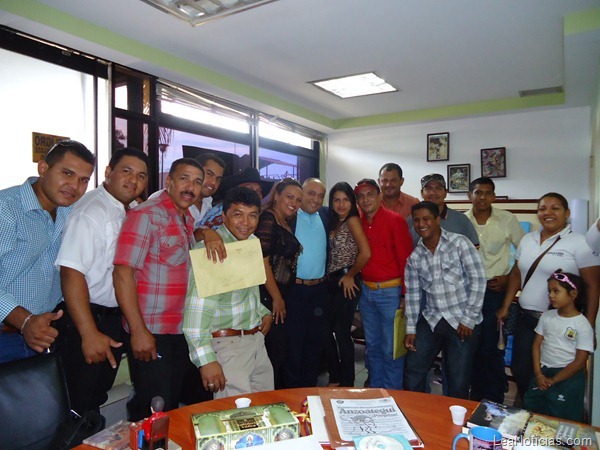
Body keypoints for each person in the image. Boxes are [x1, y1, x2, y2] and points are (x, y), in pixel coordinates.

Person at [54, 147, 149, 414]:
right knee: (76, 405)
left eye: (141, 176)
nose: (133, 181)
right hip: (87, 319)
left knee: (94, 398)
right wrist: (88, 333)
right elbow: (72, 272)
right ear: (108, 173)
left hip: (111, 319)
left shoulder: (123, 208)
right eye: (126, 172)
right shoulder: (92, 211)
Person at [113, 157, 204, 421]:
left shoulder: (185, 219)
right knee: (152, 410)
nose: (191, 187)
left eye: (197, 182)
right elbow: (122, 273)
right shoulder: (145, 215)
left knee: (171, 406)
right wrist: (139, 331)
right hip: (152, 331)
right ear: (169, 181)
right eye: (184, 179)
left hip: (179, 329)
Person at [497, 193, 600, 402]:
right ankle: (528, 410)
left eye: (555, 208)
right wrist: (506, 305)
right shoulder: (528, 239)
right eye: (543, 208)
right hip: (527, 320)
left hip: (561, 324)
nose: (548, 213)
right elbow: (516, 273)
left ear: (567, 213)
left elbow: (593, 286)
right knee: (522, 368)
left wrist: (588, 326)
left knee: (556, 372)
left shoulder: (579, 243)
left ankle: (552, 419)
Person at [0, 140, 95, 363]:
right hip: (7, 335)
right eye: (67, 173)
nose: (74, 185)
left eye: (83, 180)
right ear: (43, 169)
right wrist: (24, 321)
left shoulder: (69, 213)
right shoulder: (7, 209)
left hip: (45, 332)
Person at [183, 187, 274, 398]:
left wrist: (262, 312)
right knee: (236, 419)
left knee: (264, 409)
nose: (246, 222)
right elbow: (195, 315)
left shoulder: (250, 243)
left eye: (252, 216)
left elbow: (242, 292)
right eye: (238, 214)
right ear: (224, 216)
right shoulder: (210, 250)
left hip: (255, 341)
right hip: (227, 347)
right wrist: (206, 360)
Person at [404, 201, 486, 399]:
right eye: (416, 220)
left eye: (426, 219)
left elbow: (478, 279)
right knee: (413, 369)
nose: (421, 224)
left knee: (458, 378)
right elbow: (413, 295)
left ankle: (454, 422)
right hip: (432, 318)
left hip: (462, 320)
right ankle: (415, 412)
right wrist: (411, 329)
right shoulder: (415, 257)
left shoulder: (459, 243)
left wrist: (469, 319)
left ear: (438, 220)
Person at [465, 177, 525, 403]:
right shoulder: (462, 221)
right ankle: (474, 396)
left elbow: (525, 253)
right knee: (472, 345)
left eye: (487, 193)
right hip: (470, 292)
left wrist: (508, 278)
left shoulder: (507, 219)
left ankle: (493, 398)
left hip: (495, 291)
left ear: (494, 196)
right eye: (478, 192)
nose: (482, 197)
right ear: (469, 195)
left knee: (493, 346)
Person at [355, 178, 413, 389]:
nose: (365, 199)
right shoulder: (358, 222)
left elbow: (406, 260)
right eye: (361, 196)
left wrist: (404, 295)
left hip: (390, 292)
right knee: (373, 347)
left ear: (379, 196)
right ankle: (375, 392)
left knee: (392, 349)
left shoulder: (394, 220)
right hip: (366, 293)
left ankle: (392, 396)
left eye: (370, 194)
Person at [523, 271, 593, 422]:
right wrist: (539, 373)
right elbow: (536, 345)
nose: (551, 295)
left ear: (573, 294)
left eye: (556, 291)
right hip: (542, 372)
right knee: (533, 414)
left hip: (568, 378)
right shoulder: (547, 316)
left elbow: (579, 362)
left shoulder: (582, 325)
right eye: (549, 291)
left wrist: (553, 380)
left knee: (563, 419)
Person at [254, 178, 303, 389]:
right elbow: (262, 261)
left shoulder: (284, 221)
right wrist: (276, 298)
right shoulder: (267, 219)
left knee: (279, 352)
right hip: (268, 295)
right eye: (290, 197)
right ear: (276, 196)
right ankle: (268, 401)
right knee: (273, 352)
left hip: (281, 293)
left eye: (298, 200)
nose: (294, 203)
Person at [324, 182, 371, 387]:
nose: (341, 204)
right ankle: (335, 376)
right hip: (332, 281)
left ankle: (346, 382)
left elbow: (366, 253)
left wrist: (351, 275)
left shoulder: (352, 220)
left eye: (346, 200)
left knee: (342, 333)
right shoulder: (335, 221)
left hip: (347, 282)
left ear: (352, 202)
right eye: (336, 200)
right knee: (326, 331)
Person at [284, 178, 328, 388]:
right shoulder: (289, 217)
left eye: (321, 195)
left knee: (314, 345)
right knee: (293, 346)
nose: (316, 199)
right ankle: (291, 394)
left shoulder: (326, 216)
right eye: (311, 193)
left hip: (319, 291)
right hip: (295, 291)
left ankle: (310, 393)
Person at [406, 173, 479, 247]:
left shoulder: (461, 219)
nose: (433, 193)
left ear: (445, 193)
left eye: (438, 188)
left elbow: (474, 248)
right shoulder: (411, 220)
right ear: (422, 193)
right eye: (428, 189)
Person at [199, 167, 273, 230]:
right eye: (249, 188)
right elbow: (202, 236)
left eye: (259, 190)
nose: (255, 194)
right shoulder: (220, 213)